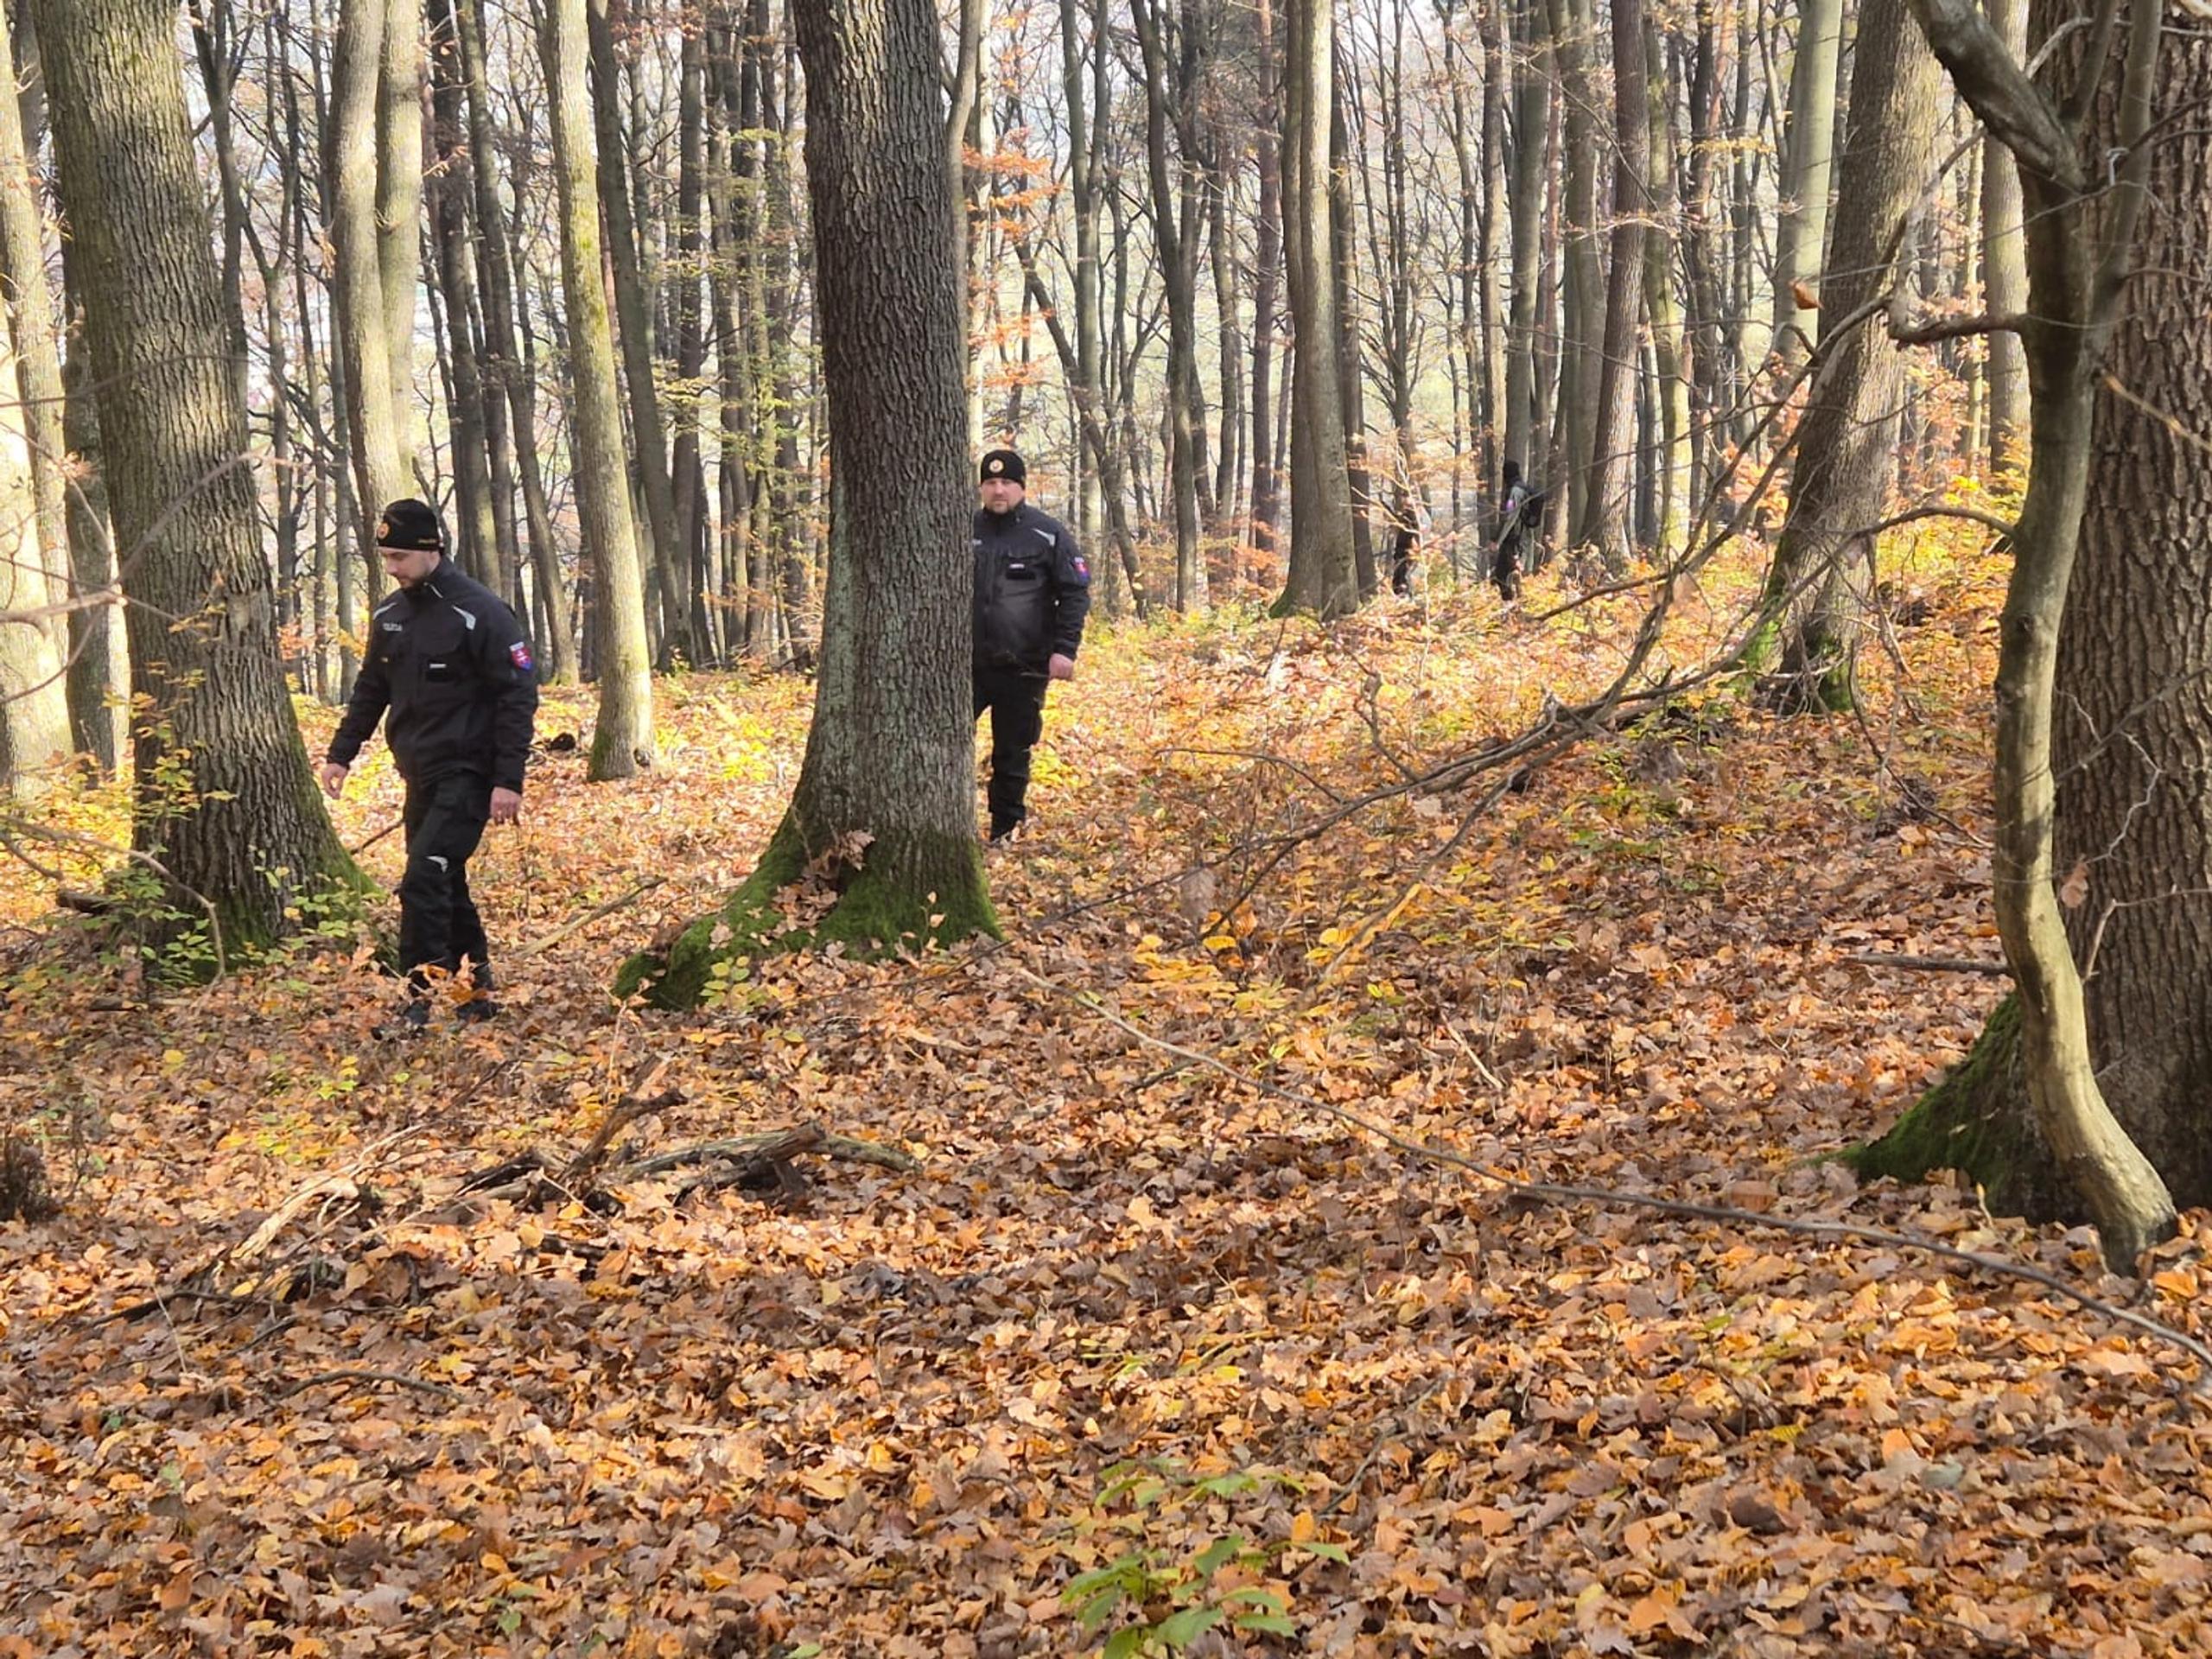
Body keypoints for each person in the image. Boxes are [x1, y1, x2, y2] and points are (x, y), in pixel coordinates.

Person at [321, 499, 539, 1034]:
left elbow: (518, 695)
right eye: (385, 558)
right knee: (445, 877)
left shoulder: (480, 611)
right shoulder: (389, 617)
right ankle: (479, 988)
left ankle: (413, 1003)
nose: (391, 568)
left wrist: (508, 780)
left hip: (469, 774)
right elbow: (371, 690)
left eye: (399, 557)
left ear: (431, 549)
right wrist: (340, 753)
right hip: (418, 774)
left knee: (422, 879)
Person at [972, 447, 1090, 843]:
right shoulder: (961, 529)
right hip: (965, 666)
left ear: (1021, 487)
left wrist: (1065, 650)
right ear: (982, 488)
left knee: (1012, 754)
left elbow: (1075, 593)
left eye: (1006, 482)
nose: (998, 490)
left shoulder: (1048, 533)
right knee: (944, 747)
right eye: (990, 483)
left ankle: (1004, 833)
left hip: (1023, 667)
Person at [1492, 459, 1542, 602]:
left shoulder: (1515, 492)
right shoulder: (1524, 489)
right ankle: (1514, 605)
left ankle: (1515, 606)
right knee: (1505, 574)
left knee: (1507, 574)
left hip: (1514, 539)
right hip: (1522, 538)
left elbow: (1510, 516)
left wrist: (1497, 540)